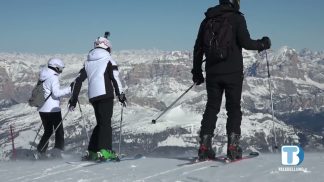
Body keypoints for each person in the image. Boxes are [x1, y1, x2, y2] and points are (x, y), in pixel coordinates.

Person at [192, 0, 271, 160]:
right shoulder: (237, 18)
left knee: (212, 108)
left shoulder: (208, 19)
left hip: (212, 72)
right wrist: (262, 44)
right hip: (233, 72)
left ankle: (204, 147)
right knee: (233, 108)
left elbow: (198, 47)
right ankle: (233, 148)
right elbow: (246, 43)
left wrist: (197, 71)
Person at [69, 36, 127, 161]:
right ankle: (105, 151)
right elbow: (115, 78)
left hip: (93, 97)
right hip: (106, 95)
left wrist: (73, 99)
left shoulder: (88, 61)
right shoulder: (108, 59)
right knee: (105, 124)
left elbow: (77, 81)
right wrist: (120, 94)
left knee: (101, 123)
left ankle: (92, 151)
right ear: (108, 47)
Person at [36, 58, 71, 158]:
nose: (61, 71)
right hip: (53, 109)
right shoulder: (53, 77)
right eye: (60, 69)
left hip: (42, 108)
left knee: (48, 130)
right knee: (59, 131)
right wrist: (70, 89)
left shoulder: (43, 75)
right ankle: (57, 152)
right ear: (56, 67)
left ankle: (41, 151)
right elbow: (56, 93)